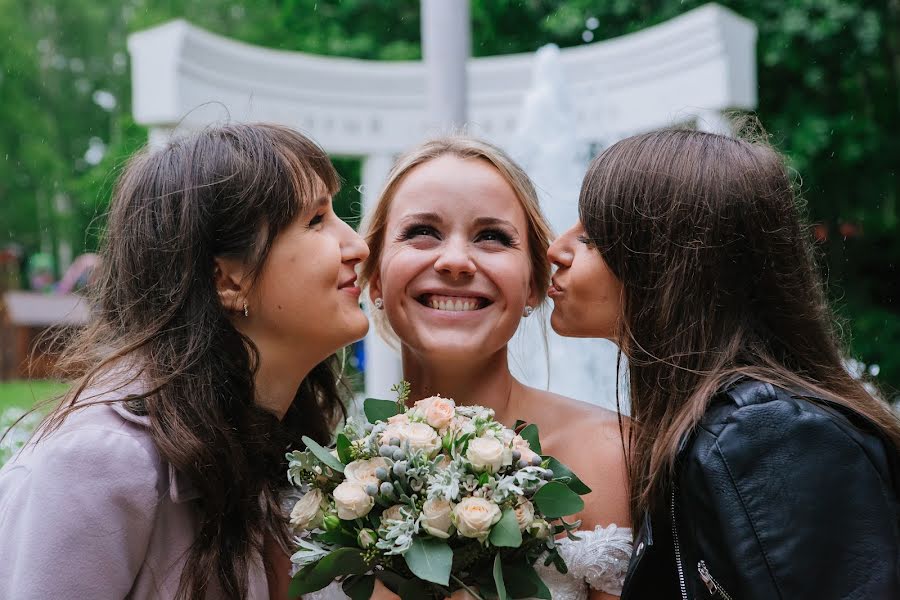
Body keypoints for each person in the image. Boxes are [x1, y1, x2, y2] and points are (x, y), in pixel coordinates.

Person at [0, 123, 370, 599]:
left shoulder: (279, 442)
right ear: (227, 280)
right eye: (316, 221)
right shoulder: (101, 462)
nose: (356, 246)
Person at [547, 125, 900, 599]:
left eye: (590, 237)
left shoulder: (767, 435)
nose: (556, 249)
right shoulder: (707, 428)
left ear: (666, 262)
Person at [353, 136, 632, 600]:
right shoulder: (323, 475)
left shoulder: (613, 455)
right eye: (422, 231)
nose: (456, 262)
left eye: (492, 237)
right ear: (375, 277)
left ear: (534, 285)